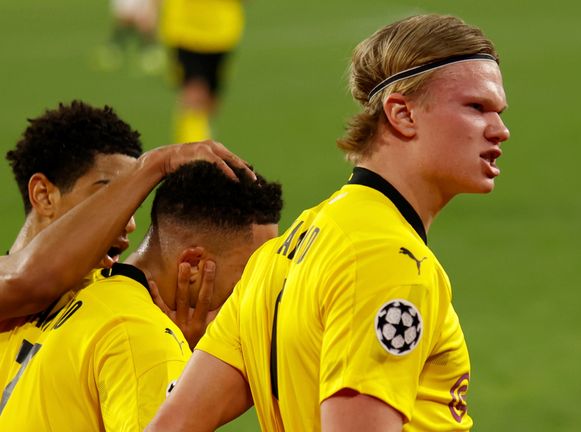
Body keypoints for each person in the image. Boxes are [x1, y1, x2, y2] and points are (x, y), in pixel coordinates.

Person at [148, 13, 509, 432]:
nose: (500, 130)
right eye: (476, 107)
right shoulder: (388, 260)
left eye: (498, 111)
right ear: (402, 114)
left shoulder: (287, 248)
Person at [0, 101, 253, 402]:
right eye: (108, 196)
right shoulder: (27, 287)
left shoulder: (98, 310)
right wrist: (157, 164)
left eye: (130, 202)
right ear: (43, 195)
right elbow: (30, 278)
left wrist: (164, 354)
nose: (129, 222)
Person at [0, 160, 282, 430]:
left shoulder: (73, 291)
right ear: (194, 265)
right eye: (250, 275)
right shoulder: (144, 338)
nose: (256, 291)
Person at [159, 0, 245, 143]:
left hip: (222, 33)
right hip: (185, 31)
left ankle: (203, 143)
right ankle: (193, 157)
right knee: (194, 93)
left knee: (210, 103)